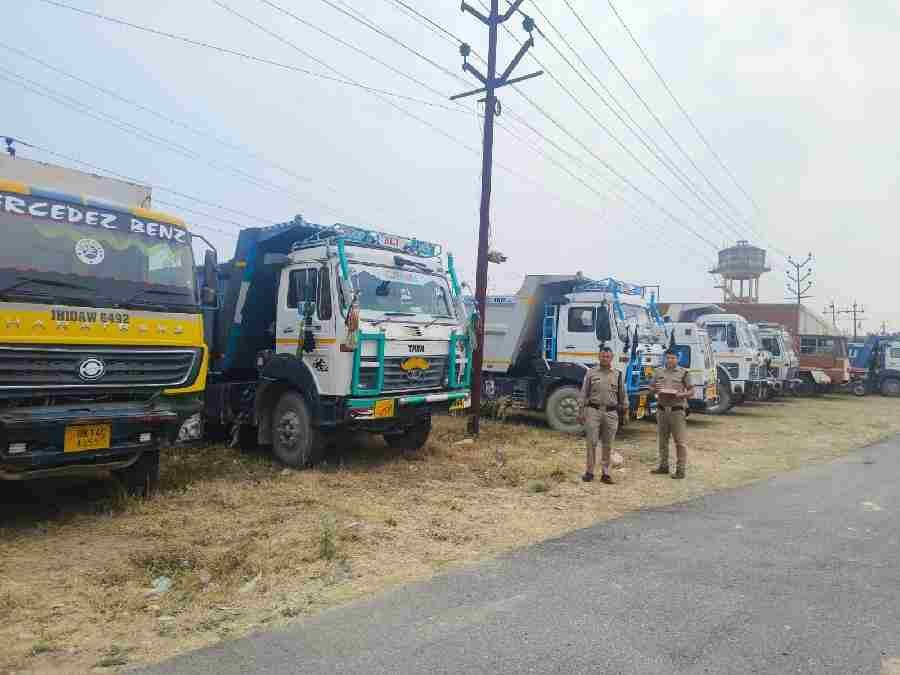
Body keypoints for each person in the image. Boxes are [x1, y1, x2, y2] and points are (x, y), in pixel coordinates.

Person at [577, 345, 628, 484]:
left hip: (611, 413)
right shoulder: (591, 373)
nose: (605, 358)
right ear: (599, 357)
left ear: (612, 358)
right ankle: (589, 472)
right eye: (603, 356)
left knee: (608, 444)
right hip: (593, 411)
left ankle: (606, 473)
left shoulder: (618, 374)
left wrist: (625, 412)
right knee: (591, 442)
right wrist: (580, 411)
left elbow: (623, 395)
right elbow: (584, 393)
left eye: (608, 356)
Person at [649, 348, 692, 479]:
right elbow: (651, 388)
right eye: (668, 358)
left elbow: (691, 391)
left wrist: (680, 395)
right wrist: (654, 389)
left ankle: (680, 470)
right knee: (663, 441)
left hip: (677, 411)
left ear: (677, 359)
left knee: (680, 442)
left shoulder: (684, 372)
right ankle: (663, 466)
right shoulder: (658, 371)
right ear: (664, 358)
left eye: (673, 358)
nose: (670, 360)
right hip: (662, 410)